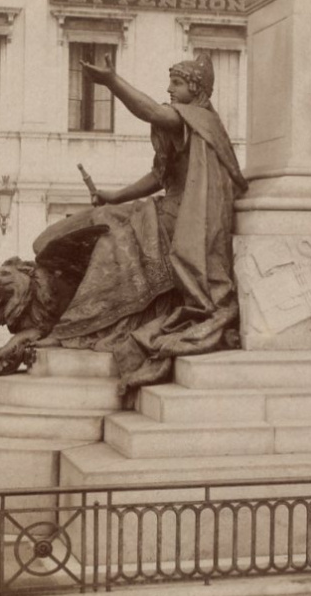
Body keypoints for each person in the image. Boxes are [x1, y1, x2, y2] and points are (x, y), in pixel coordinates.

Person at [32, 53, 247, 399]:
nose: (169, 88)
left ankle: (87, 325)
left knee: (112, 243)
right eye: (171, 82)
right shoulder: (186, 124)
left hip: (184, 222)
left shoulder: (200, 120)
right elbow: (157, 177)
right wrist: (114, 196)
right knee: (93, 223)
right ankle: (80, 320)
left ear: (196, 88)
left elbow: (151, 111)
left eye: (177, 83)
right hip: (167, 209)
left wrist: (112, 82)